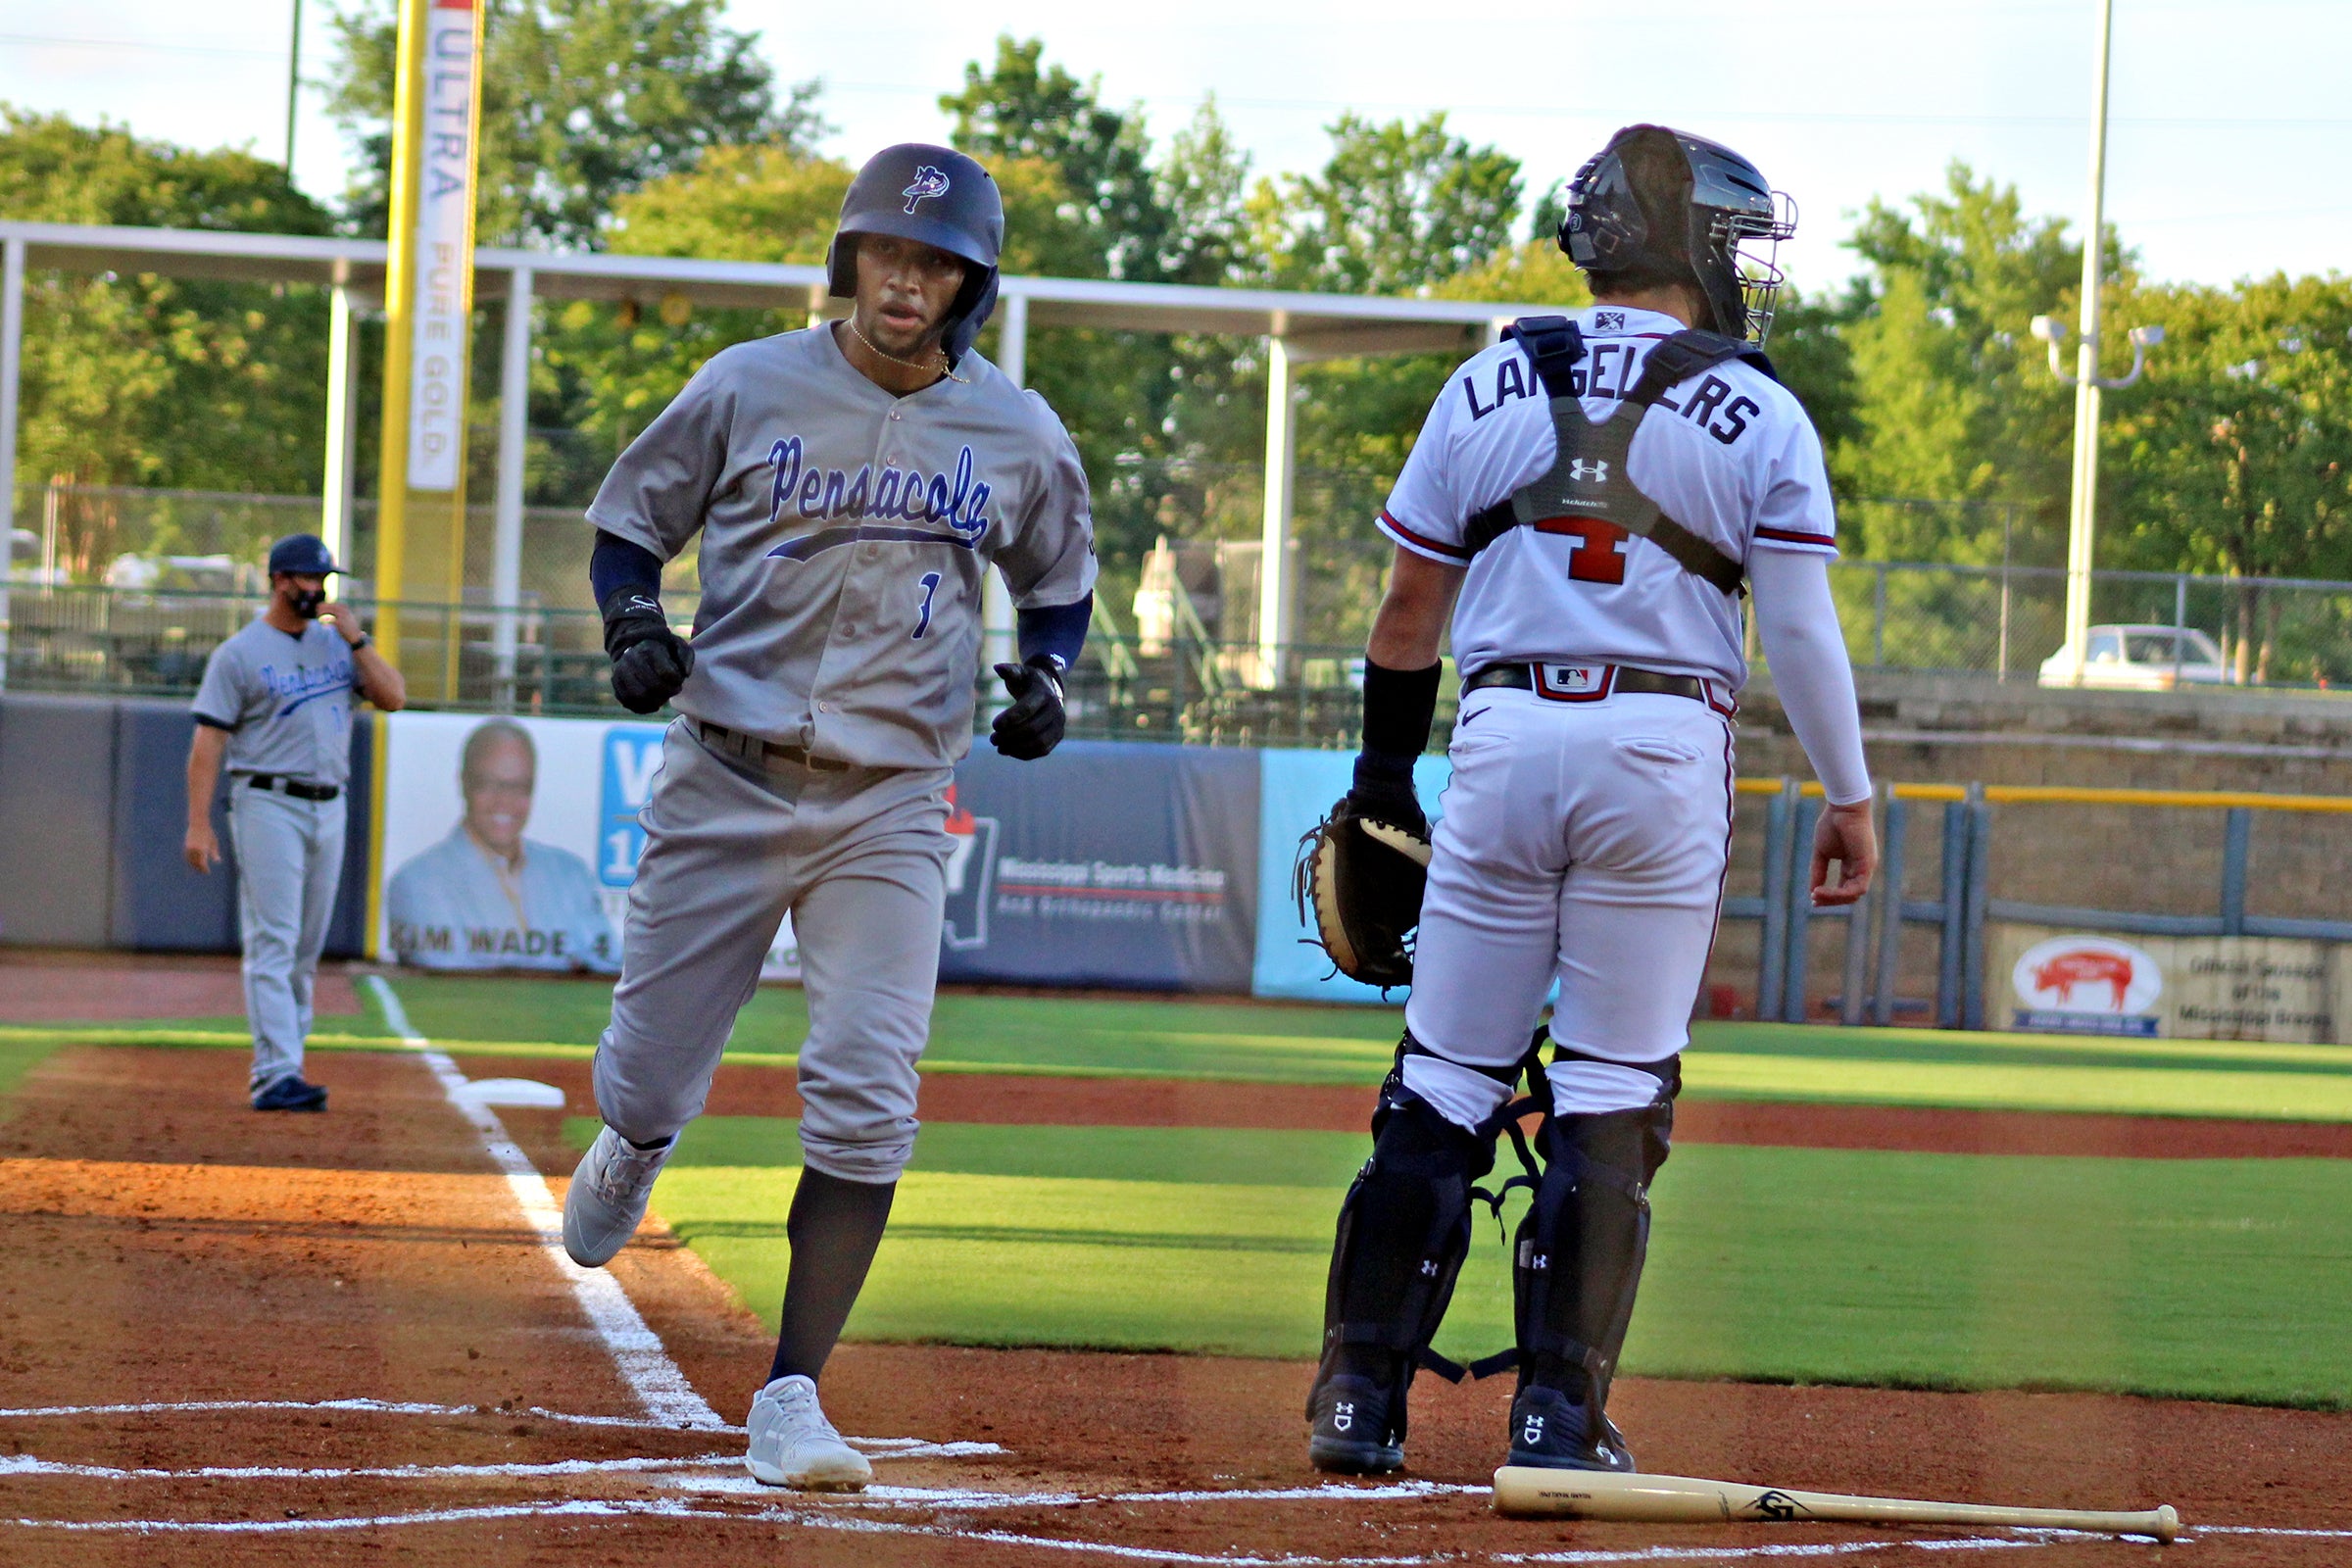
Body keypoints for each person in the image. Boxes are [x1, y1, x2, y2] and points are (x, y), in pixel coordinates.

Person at [1303, 124, 1878, 1477]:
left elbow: (1405, 609)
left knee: (1441, 1079)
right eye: (1739, 243)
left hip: (1503, 735)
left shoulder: (1488, 377)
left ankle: (1357, 1400)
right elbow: (1798, 630)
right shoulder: (1762, 407)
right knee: (1614, 1087)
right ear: (1696, 249)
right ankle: (1557, 1416)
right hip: (1661, 741)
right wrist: (1849, 795)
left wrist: (1383, 775)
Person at [559, 143, 1095, 1492]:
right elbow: (630, 522)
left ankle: (791, 1392)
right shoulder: (748, 384)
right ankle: (636, 1135)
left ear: (970, 282)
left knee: (868, 1097)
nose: (902, 282)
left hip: (893, 800)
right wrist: (636, 625)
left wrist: (1049, 681)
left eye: (931, 263)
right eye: (883, 254)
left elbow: (1060, 580)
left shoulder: (1017, 429)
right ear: (849, 259)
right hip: (726, 774)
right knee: (648, 1070)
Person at [184, 533, 407, 1110]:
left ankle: (288, 1064)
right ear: (280, 581)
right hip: (267, 799)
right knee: (274, 939)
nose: (320, 588)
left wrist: (357, 638)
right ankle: (275, 1071)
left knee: (306, 945)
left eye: (325, 579)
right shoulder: (239, 652)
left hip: (329, 801)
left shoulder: (340, 647)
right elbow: (208, 741)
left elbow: (394, 697)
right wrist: (198, 823)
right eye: (310, 579)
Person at [385, 718, 618, 973]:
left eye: (519, 787)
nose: (503, 801)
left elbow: (608, 961)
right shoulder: (416, 881)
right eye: (488, 784)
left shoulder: (571, 873)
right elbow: (447, 972)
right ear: (463, 783)